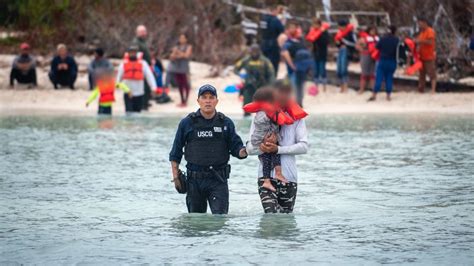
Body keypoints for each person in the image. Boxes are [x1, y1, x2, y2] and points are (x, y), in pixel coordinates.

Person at [169, 84, 248, 214]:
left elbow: (236, 148)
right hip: (194, 181)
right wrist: (176, 177)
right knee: (196, 222)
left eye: (211, 97)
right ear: (198, 101)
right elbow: (175, 152)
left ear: (216, 101)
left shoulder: (225, 123)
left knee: (220, 221)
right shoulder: (187, 123)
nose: (208, 101)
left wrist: (246, 150)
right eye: (204, 97)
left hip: (218, 180)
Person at [246, 80, 308, 213]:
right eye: (280, 92)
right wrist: (263, 146)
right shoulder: (260, 116)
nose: (283, 96)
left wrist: (278, 149)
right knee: (270, 219)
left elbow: (304, 147)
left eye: (287, 93)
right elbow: (249, 149)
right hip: (265, 177)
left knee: (285, 225)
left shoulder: (297, 118)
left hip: (289, 178)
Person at [244, 87, 289, 192]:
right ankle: (269, 179)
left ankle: (274, 176)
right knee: (268, 157)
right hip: (260, 141)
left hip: (263, 140)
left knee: (271, 154)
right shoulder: (264, 114)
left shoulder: (264, 113)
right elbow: (267, 126)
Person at [234, 44, 275, 116]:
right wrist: (241, 75)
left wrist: (270, 86)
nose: (254, 53)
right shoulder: (246, 60)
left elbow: (271, 73)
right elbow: (236, 68)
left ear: (259, 51)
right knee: (247, 105)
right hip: (249, 85)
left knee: (264, 106)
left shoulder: (265, 61)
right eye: (253, 51)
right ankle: (246, 118)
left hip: (262, 85)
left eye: (256, 51)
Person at [116, 45, 157, 113]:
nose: (133, 54)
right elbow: (118, 77)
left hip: (139, 92)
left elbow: (149, 76)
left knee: (137, 113)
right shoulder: (123, 64)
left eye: (134, 52)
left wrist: (153, 87)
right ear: (128, 53)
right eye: (131, 52)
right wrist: (117, 85)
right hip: (128, 93)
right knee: (128, 112)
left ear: (137, 53)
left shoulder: (143, 63)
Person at [281, 21, 313, 107]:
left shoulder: (300, 39)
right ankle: (294, 105)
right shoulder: (287, 40)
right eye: (290, 27)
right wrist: (292, 65)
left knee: (301, 86)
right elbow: (285, 53)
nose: (292, 29)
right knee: (294, 86)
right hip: (293, 68)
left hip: (302, 68)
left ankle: (300, 104)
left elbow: (306, 51)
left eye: (294, 27)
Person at [368, 25, 400, 102]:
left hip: (383, 60)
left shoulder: (382, 39)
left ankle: (374, 95)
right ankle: (388, 96)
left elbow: (377, 47)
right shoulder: (397, 40)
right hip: (392, 61)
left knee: (379, 77)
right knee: (389, 78)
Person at [168, 34, 193, 107]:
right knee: (179, 84)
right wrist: (176, 54)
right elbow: (172, 57)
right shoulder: (177, 47)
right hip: (177, 67)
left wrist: (177, 53)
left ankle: (186, 100)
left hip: (184, 68)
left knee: (186, 84)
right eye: (180, 38)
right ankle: (182, 100)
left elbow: (186, 55)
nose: (181, 40)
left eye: (183, 38)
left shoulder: (188, 47)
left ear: (186, 39)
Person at [260, 4, 285, 75]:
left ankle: (264, 76)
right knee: (273, 62)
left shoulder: (263, 19)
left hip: (263, 42)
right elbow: (281, 30)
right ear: (274, 10)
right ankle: (272, 78)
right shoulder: (275, 20)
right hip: (273, 43)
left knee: (264, 62)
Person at [306, 18, 329, 92]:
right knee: (316, 70)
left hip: (322, 54)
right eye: (313, 24)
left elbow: (326, 42)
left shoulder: (324, 32)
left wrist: (320, 34)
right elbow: (310, 39)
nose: (314, 26)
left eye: (315, 24)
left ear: (319, 25)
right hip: (315, 53)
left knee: (322, 70)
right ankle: (316, 86)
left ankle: (324, 87)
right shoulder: (313, 32)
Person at [133, 25, 153, 109]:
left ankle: (146, 102)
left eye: (145, 31)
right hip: (141, 68)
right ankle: (143, 104)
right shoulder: (136, 42)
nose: (144, 33)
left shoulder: (143, 41)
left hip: (146, 66)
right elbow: (136, 55)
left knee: (147, 86)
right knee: (144, 86)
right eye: (142, 32)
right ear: (137, 33)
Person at [335, 20, 356, 93]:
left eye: (340, 26)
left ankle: (346, 87)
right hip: (340, 51)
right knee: (339, 70)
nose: (339, 28)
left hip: (346, 52)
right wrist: (338, 44)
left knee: (344, 70)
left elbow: (354, 44)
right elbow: (338, 44)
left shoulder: (351, 33)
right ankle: (341, 87)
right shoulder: (339, 33)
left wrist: (344, 41)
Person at [416, 18, 437, 93]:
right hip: (421, 56)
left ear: (425, 23)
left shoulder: (430, 31)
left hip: (429, 56)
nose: (419, 25)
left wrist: (420, 41)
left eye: (420, 23)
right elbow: (419, 44)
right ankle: (421, 89)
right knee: (422, 74)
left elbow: (431, 42)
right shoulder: (421, 33)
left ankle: (433, 89)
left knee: (431, 73)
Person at [356, 26, 379, 94]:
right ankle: (361, 89)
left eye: (374, 31)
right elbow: (357, 46)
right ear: (368, 31)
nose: (373, 32)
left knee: (372, 74)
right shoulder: (363, 38)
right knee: (364, 73)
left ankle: (373, 90)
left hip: (374, 56)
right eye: (372, 31)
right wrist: (362, 49)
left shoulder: (377, 38)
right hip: (365, 55)